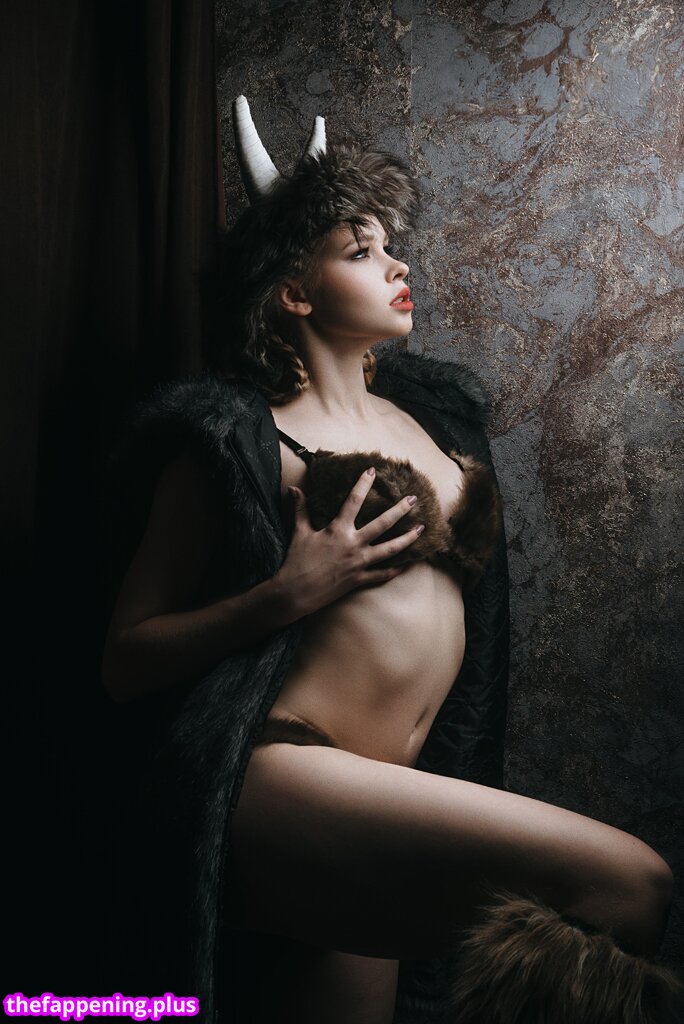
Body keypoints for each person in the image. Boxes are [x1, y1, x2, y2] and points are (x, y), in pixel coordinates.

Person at [102, 97, 681, 1024]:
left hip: (387, 796)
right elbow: (125, 659)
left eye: (389, 246)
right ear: (294, 293)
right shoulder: (235, 440)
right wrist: (287, 593)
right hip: (285, 775)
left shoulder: (435, 426)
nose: (398, 265)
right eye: (360, 250)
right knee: (629, 886)